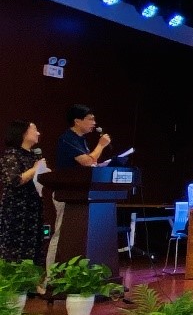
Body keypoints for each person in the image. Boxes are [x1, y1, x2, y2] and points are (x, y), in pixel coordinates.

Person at [48, 104, 111, 264]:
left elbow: (89, 164)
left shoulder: (81, 140)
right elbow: (87, 161)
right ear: (77, 121)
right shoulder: (67, 138)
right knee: (61, 232)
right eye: (90, 119)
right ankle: (51, 273)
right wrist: (101, 145)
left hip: (79, 193)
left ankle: (73, 269)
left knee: (76, 235)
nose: (94, 123)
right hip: (66, 193)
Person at [0, 120, 48, 262]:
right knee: (15, 250)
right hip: (17, 209)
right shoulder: (11, 155)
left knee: (35, 247)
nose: (38, 133)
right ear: (23, 133)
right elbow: (13, 180)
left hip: (33, 207)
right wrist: (35, 169)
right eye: (34, 130)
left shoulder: (33, 155)